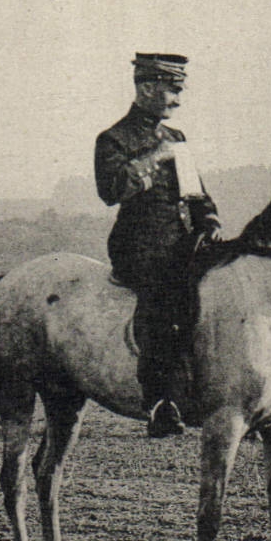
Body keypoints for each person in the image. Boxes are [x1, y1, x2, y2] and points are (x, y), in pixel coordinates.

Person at [94, 52, 222, 438]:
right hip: (141, 247)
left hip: (185, 243)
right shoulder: (114, 138)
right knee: (166, 300)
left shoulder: (176, 137)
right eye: (172, 91)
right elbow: (111, 190)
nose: (178, 101)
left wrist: (210, 220)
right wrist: (155, 157)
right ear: (147, 88)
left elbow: (195, 192)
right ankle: (161, 401)